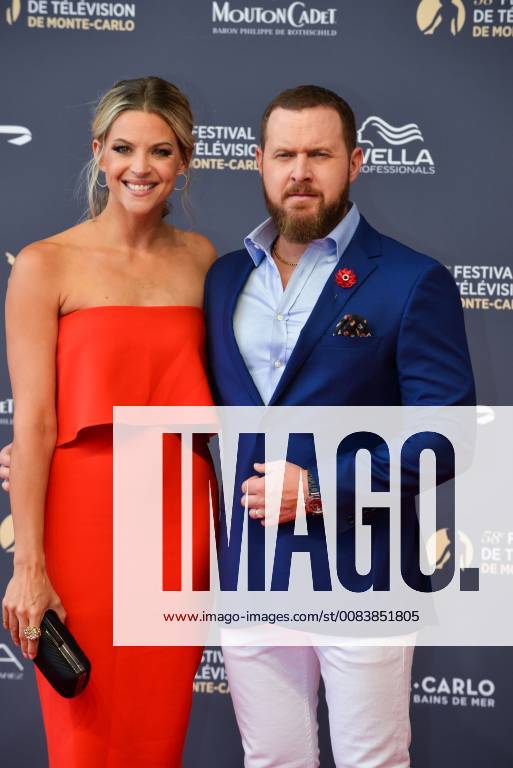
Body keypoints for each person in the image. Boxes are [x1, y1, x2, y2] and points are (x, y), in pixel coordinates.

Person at [204, 85, 476, 767]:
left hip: (363, 569)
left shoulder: (412, 280)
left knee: (371, 761)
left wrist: (320, 489)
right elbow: (174, 399)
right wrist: (48, 445)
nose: (301, 171)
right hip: (249, 571)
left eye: (319, 153)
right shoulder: (220, 279)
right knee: (271, 761)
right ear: (257, 163)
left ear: (353, 161)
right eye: (285, 154)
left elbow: (447, 437)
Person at [0, 76, 216, 767]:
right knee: (86, 728)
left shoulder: (204, 262)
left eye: (160, 150)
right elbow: (32, 423)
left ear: (184, 161)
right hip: (82, 515)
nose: (140, 167)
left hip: (180, 515)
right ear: (98, 152)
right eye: (123, 148)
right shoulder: (44, 264)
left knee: (158, 727)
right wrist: (27, 566)